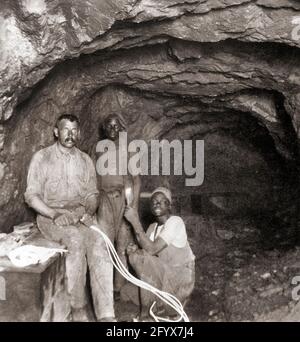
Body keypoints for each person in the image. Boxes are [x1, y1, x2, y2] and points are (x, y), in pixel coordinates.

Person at [24, 114, 116, 322]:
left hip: (80, 214)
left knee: (101, 242)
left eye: (74, 130)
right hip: (50, 215)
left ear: (79, 133)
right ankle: (78, 308)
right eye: (65, 129)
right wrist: (55, 214)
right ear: (56, 131)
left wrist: (87, 211)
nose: (70, 134)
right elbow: (31, 196)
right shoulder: (42, 158)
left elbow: (93, 195)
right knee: (74, 240)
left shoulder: (85, 160)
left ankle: (106, 315)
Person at [121, 187, 195, 320]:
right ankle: (160, 305)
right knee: (125, 291)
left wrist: (135, 221)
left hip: (180, 279)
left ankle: (146, 313)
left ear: (169, 205)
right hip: (164, 278)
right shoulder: (152, 228)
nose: (157, 203)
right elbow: (147, 256)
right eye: (154, 201)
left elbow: (152, 249)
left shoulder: (175, 222)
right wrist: (135, 249)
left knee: (139, 258)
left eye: (162, 201)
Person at [95, 114, 141, 297]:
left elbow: (137, 180)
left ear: (121, 128)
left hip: (123, 198)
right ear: (104, 128)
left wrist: (134, 206)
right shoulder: (98, 149)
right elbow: (95, 177)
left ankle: (118, 288)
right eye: (109, 126)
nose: (113, 129)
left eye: (116, 126)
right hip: (104, 200)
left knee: (121, 245)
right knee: (105, 245)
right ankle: (104, 287)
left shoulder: (128, 149)